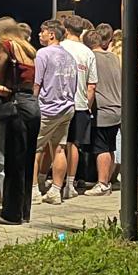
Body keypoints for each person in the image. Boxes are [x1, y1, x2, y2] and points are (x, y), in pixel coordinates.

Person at [0, 18, 39, 226]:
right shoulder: (29, 49)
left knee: (13, 162)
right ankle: (24, 211)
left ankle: (11, 213)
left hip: (16, 105)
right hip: (33, 105)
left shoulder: (8, 47)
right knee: (27, 160)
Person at [32, 20, 78, 205]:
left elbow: (37, 82)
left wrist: (32, 102)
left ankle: (34, 190)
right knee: (59, 148)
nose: (39, 35)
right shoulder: (69, 57)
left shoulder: (43, 53)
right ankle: (56, 191)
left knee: (34, 148)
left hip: (47, 107)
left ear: (51, 34)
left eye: (42, 32)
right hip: (67, 107)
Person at [59, 17, 98, 199]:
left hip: (58, 103)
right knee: (73, 144)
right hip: (80, 104)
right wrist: (87, 106)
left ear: (66, 29)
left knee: (55, 145)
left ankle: (48, 184)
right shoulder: (88, 52)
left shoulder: (59, 47)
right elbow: (92, 86)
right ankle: (70, 184)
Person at [85, 24, 123, 196]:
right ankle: (109, 179)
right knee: (110, 147)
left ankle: (102, 184)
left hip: (102, 110)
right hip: (117, 108)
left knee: (101, 148)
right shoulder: (114, 57)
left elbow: (91, 86)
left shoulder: (91, 58)